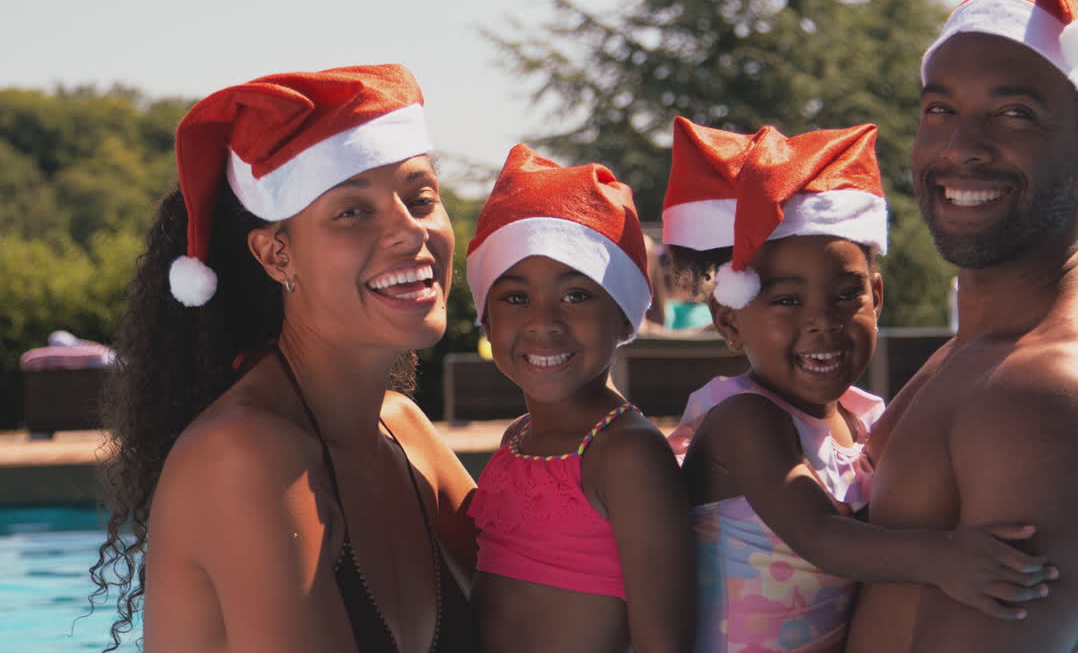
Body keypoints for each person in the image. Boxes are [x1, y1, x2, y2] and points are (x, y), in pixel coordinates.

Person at [846, 0, 1078, 652]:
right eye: (940, 109)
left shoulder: (1051, 391)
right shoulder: (984, 352)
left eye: (1014, 113)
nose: (960, 146)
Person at [90, 65, 479, 652]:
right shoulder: (243, 457)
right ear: (276, 255)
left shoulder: (404, 432)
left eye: (421, 198)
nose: (410, 232)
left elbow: (554, 597)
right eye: (352, 211)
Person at [660, 117, 1057, 652]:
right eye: (786, 301)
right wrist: (948, 559)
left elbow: (942, 387)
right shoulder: (744, 420)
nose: (822, 320)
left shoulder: (863, 417)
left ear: (877, 296)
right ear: (730, 320)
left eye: (847, 296)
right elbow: (822, 536)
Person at [464, 144, 695, 652]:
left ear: (623, 315)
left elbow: (666, 642)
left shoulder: (625, 454)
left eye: (576, 295)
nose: (543, 321)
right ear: (486, 317)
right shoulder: (518, 438)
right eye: (515, 297)